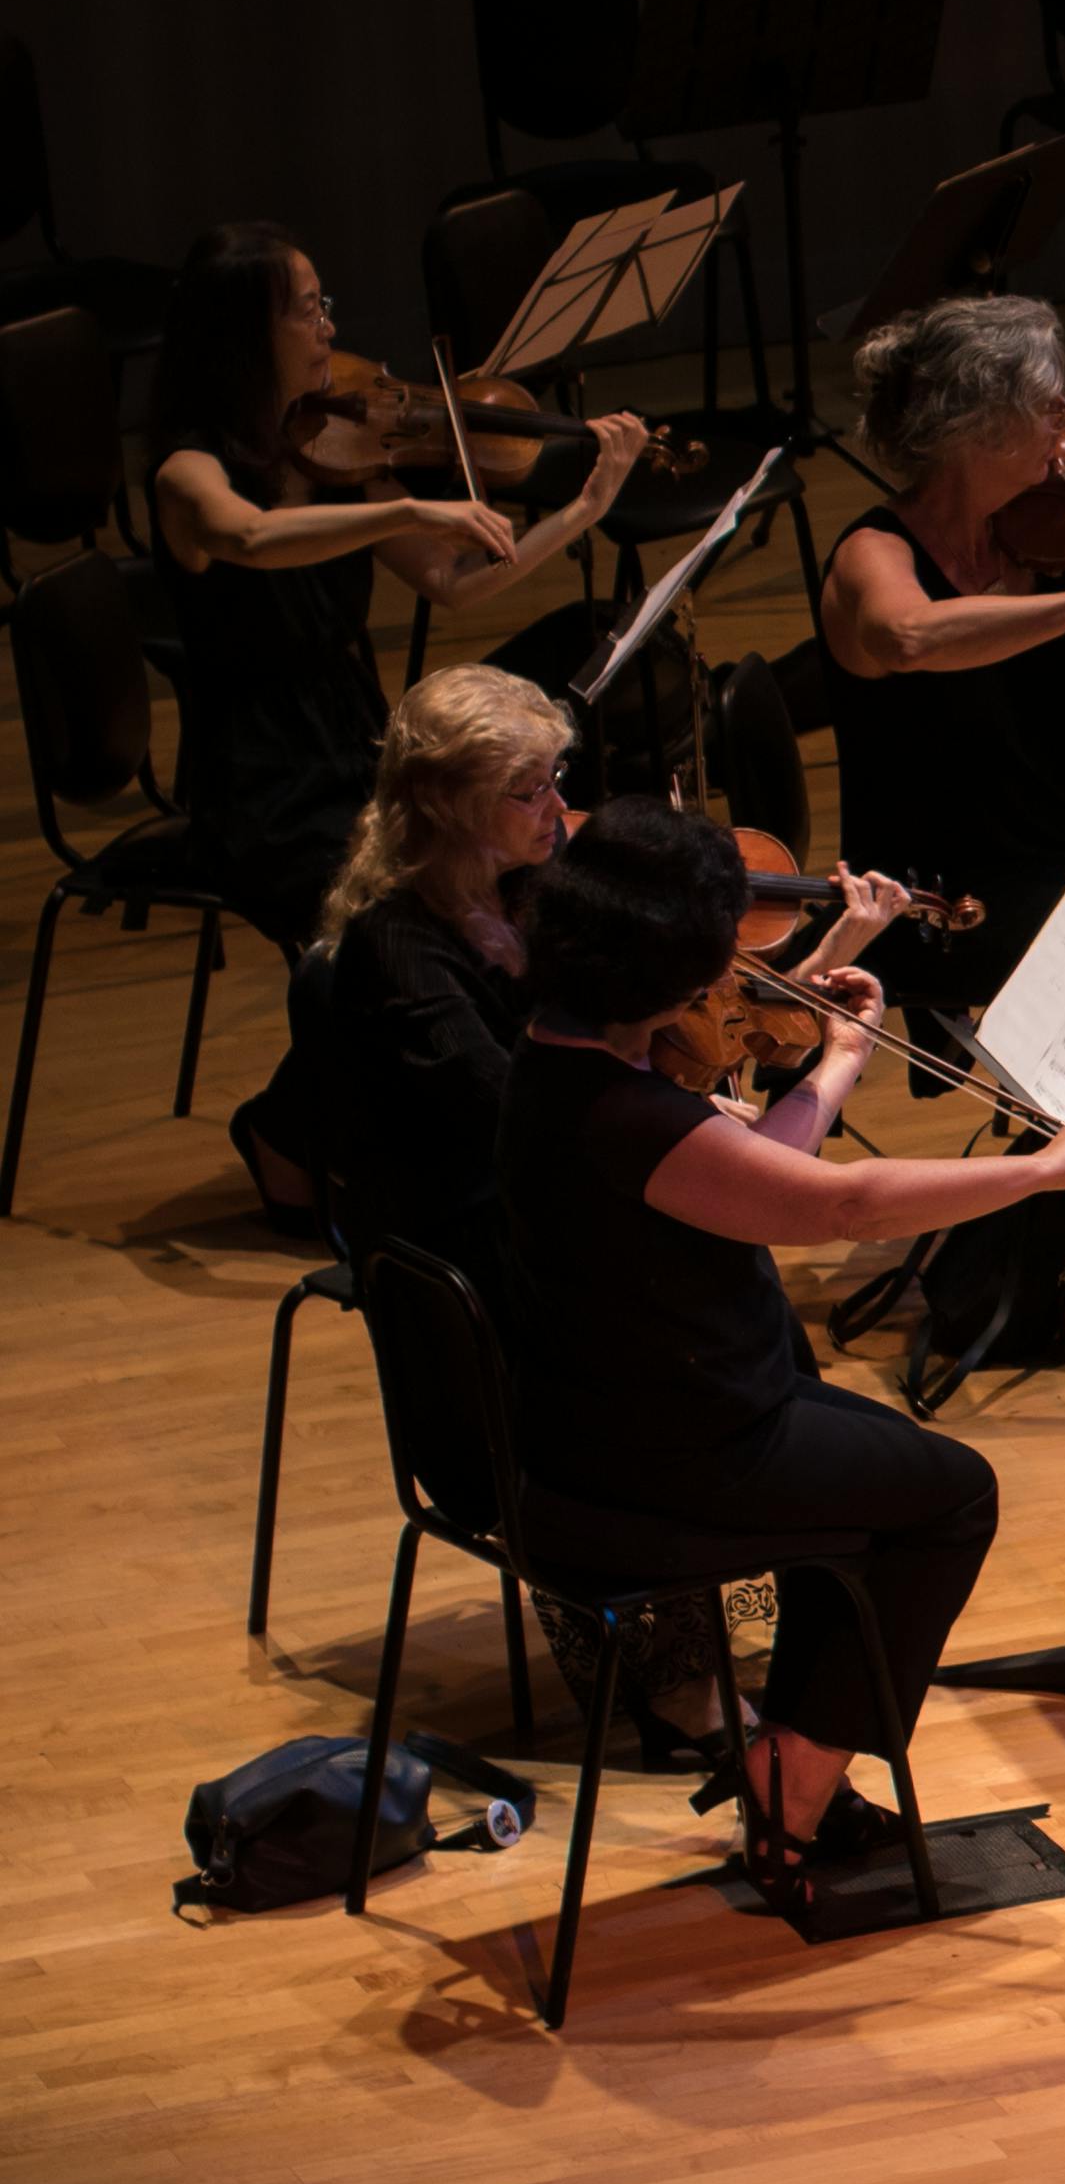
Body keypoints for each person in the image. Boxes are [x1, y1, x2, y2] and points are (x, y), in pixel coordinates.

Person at [501, 801, 1065, 1907]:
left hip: (622, 1415)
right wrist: (1041, 1170)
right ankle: (789, 1798)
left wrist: (839, 1059)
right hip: (670, 1456)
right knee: (947, 1498)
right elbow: (836, 1204)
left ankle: (791, 1770)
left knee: (889, 1474)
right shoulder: (628, 1117)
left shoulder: (553, 1062)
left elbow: (747, 1186)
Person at [295, 671, 906, 1758]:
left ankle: (777, 1558)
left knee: (729, 1270)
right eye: (526, 790)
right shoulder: (402, 955)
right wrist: (688, 1127)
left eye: (555, 780)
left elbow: (656, 1028)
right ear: (448, 807)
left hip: (565, 1219)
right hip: (491, 1274)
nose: (555, 808)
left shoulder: (535, 899)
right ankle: (680, 1652)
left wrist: (809, 980)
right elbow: (535, 1127)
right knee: (712, 1281)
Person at [145, 225, 651, 957]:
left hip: (361, 748)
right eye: (308, 311)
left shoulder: (325, 450)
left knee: (520, 863)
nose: (330, 328)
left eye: (327, 306)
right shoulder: (188, 476)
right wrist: (409, 508)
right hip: (266, 790)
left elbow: (453, 583)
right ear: (248, 333)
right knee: (413, 924)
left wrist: (584, 511)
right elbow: (250, 538)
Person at [816, 294, 1065, 1017]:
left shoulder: (1052, 535)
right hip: (941, 897)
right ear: (981, 426)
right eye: (1050, 406)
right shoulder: (871, 554)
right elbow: (908, 638)